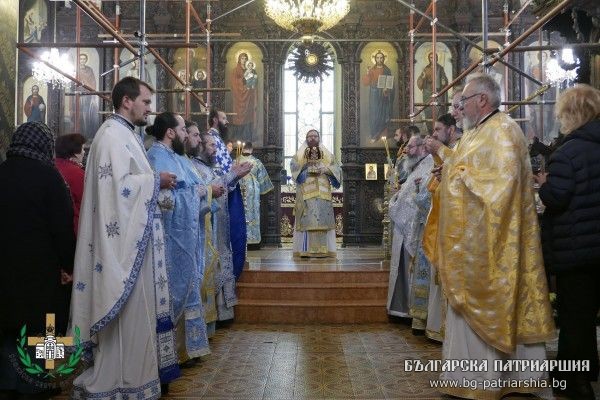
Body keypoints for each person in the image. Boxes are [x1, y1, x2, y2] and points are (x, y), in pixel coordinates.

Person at [426, 73, 555, 399]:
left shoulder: (504, 131)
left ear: (482, 100)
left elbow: (500, 186)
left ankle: (490, 380)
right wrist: (448, 163)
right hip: (474, 245)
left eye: (463, 102)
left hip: (493, 246)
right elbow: (467, 167)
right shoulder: (477, 133)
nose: (458, 109)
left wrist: (454, 173)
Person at [69, 77, 180, 399]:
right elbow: (118, 191)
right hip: (119, 247)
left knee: (136, 317)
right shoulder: (112, 136)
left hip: (133, 243)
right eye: (145, 102)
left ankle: (133, 379)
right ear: (127, 101)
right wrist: (154, 181)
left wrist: (152, 184)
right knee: (126, 317)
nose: (149, 109)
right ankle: (120, 381)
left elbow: (127, 184)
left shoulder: (124, 135)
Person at [534, 84, 600, 400]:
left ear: (570, 115)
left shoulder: (568, 153)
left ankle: (577, 382)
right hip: (596, 246)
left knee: (574, 316)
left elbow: (558, 198)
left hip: (576, 248)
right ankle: (570, 369)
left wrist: (544, 184)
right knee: (586, 314)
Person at [0, 122, 75, 397]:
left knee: (8, 323)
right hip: (41, 268)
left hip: (5, 267)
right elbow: (62, 226)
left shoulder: (2, 172)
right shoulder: (49, 176)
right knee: (47, 325)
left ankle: (7, 381)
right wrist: (69, 264)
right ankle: (42, 381)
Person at [146, 112, 210, 365]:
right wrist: (205, 191)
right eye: (183, 129)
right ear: (171, 132)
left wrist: (209, 190)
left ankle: (185, 350)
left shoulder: (177, 157)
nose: (186, 134)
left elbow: (191, 188)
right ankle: (171, 354)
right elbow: (166, 200)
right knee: (173, 290)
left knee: (189, 284)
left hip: (186, 235)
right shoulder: (157, 156)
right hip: (170, 239)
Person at [205, 109, 251, 317]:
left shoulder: (218, 141)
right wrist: (234, 173)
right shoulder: (212, 139)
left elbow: (224, 170)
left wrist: (233, 171)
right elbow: (221, 172)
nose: (227, 122)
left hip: (222, 193)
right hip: (218, 196)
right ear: (215, 119)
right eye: (224, 118)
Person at [387, 134, 432, 319]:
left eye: (411, 147)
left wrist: (393, 204)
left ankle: (410, 311)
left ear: (422, 147)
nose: (407, 151)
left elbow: (417, 200)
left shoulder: (427, 166)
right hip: (406, 227)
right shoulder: (418, 167)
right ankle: (403, 308)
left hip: (414, 229)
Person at [186, 121, 223, 338]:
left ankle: (206, 327)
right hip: (196, 228)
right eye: (210, 145)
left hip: (206, 225)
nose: (213, 149)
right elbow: (192, 192)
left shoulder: (205, 167)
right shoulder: (192, 166)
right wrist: (211, 189)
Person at [291, 129, 342, 258]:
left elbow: (336, 168)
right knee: (308, 219)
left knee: (323, 219)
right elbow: (294, 168)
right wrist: (306, 167)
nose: (312, 138)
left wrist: (326, 169)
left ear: (319, 138)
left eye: (315, 136)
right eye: (310, 136)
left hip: (323, 192)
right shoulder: (299, 154)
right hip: (306, 191)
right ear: (306, 138)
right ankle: (305, 250)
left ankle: (326, 250)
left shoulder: (327, 154)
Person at [238, 142, 274, 247]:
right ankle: (252, 241)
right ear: (251, 150)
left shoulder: (236, 161)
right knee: (252, 213)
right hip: (252, 190)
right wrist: (264, 191)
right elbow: (263, 179)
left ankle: (240, 239)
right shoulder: (256, 162)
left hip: (239, 188)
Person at [55, 133, 86, 234]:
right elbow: (84, 203)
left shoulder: (51, 166)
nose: (84, 152)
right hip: (73, 227)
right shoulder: (78, 174)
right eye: (83, 149)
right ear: (76, 153)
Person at [362, 50, 394, 140]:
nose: (379, 59)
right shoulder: (372, 70)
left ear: (383, 59)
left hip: (383, 95)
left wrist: (386, 89)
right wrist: (368, 73)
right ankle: (374, 134)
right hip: (374, 95)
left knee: (383, 115)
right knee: (374, 114)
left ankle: (382, 135)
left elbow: (390, 83)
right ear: (375, 59)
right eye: (377, 58)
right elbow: (365, 83)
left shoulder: (387, 70)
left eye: (381, 58)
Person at [231, 52, 257, 143]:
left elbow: (253, 82)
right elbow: (235, 83)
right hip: (239, 97)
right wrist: (243, 84)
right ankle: (238, 136)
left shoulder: (250, 70)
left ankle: (247, 136)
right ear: (239, 59)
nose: (244, 60)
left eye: (245, 58)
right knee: (239, 115)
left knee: (248, 115)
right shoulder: (235, 70)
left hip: (249, 97)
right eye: (242, 58)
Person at [417, 52, 449, 121]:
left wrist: (444, 81)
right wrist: (423, 77)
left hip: (437, 92)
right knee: (428, 111)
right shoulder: (426, 68)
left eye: (434, 57)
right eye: (431, 57)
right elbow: (420, 80)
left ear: (437, 58)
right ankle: (430, 129)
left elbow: (444, 80)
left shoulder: (440, 68)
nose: (432, 59)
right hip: (427, 93)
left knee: (438, 111)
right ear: (429, 59)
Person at [76, 53, 100, 139]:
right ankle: (79, 133)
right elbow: (72, 83)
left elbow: (93, 82)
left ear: (86, 60)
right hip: (79, 95)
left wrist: (89, 88)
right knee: (79, 114)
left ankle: (87, 133)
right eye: (81, 59)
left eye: (84, 59)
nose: (82, 60)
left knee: (87, 114)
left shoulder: (89, 70)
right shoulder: (75, 70)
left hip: (88, 95)